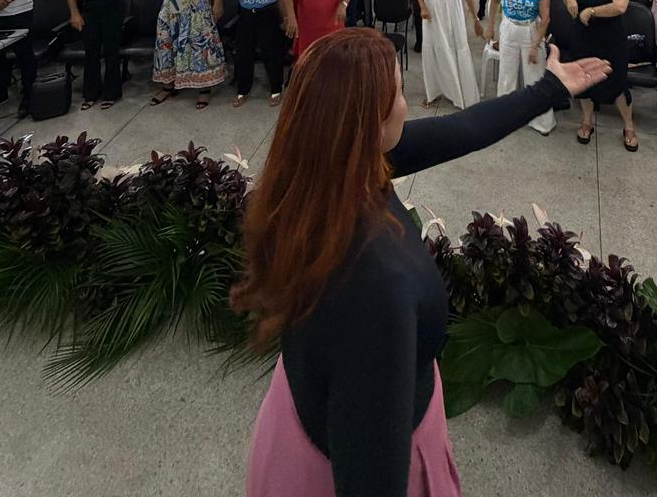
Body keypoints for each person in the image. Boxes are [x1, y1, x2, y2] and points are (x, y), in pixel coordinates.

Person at [234, 28, 609, 497]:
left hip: (308, 408)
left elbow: (463, 131)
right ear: (370, 120)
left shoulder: (323, 173)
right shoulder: (372, 285)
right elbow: (370, 474)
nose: (407, 105)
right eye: (400, 91)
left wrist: (548, 90)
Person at [564, 0, 638, 150]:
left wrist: (592, 11)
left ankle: (629, 126)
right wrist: (569, 1)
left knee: (617, 84)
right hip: (584, 38)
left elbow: (620, 6)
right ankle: (587, 122)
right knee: (585, 83)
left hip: (610, 41)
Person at [485, 0, 552, 132]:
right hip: (509, 29)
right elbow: (494, 0)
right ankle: (504, 116)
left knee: (534, 77)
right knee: (507, 75)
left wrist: (535, 46)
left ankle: (541, 122)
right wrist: (490, 25)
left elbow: (545, 19)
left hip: (530, 30)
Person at [414, 0, 482, 109]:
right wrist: (422, 7)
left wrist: (475, 18)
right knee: (433, 48)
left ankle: (455, 90)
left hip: (452, 7)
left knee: (453, 46)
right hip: (432, 7)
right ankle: (433, 91)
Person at [227, 0, 297, 107]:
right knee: (244, 53)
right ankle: (243, 90)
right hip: (246, 15)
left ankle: (276, 88)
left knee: (272, 52)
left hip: (268, 14)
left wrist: (288, 17)